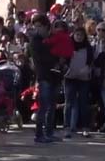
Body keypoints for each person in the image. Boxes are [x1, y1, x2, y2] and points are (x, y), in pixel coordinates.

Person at [28, 14, 61, 143]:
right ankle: (39, 134)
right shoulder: (35, 41)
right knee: (43, 107)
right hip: (44, 76)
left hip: (55, 76)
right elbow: (42, 59)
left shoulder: (52, 38)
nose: (37, 29)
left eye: (40, 26)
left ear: (46, 27)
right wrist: (55, 59)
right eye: (35, 26)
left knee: (52, 106)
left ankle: (49, 132)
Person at [63, 27, 94, 139]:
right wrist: (67, 70)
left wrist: (87, 69)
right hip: (70, 78)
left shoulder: (88, 48)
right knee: (69, 103)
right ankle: (67, 128)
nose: (79, 37)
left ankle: (85, 127)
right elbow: (64, 61)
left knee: (83, 103)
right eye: (77, 35)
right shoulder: (68, 46)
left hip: (83, 78)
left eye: (81, 35)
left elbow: (91, 62)